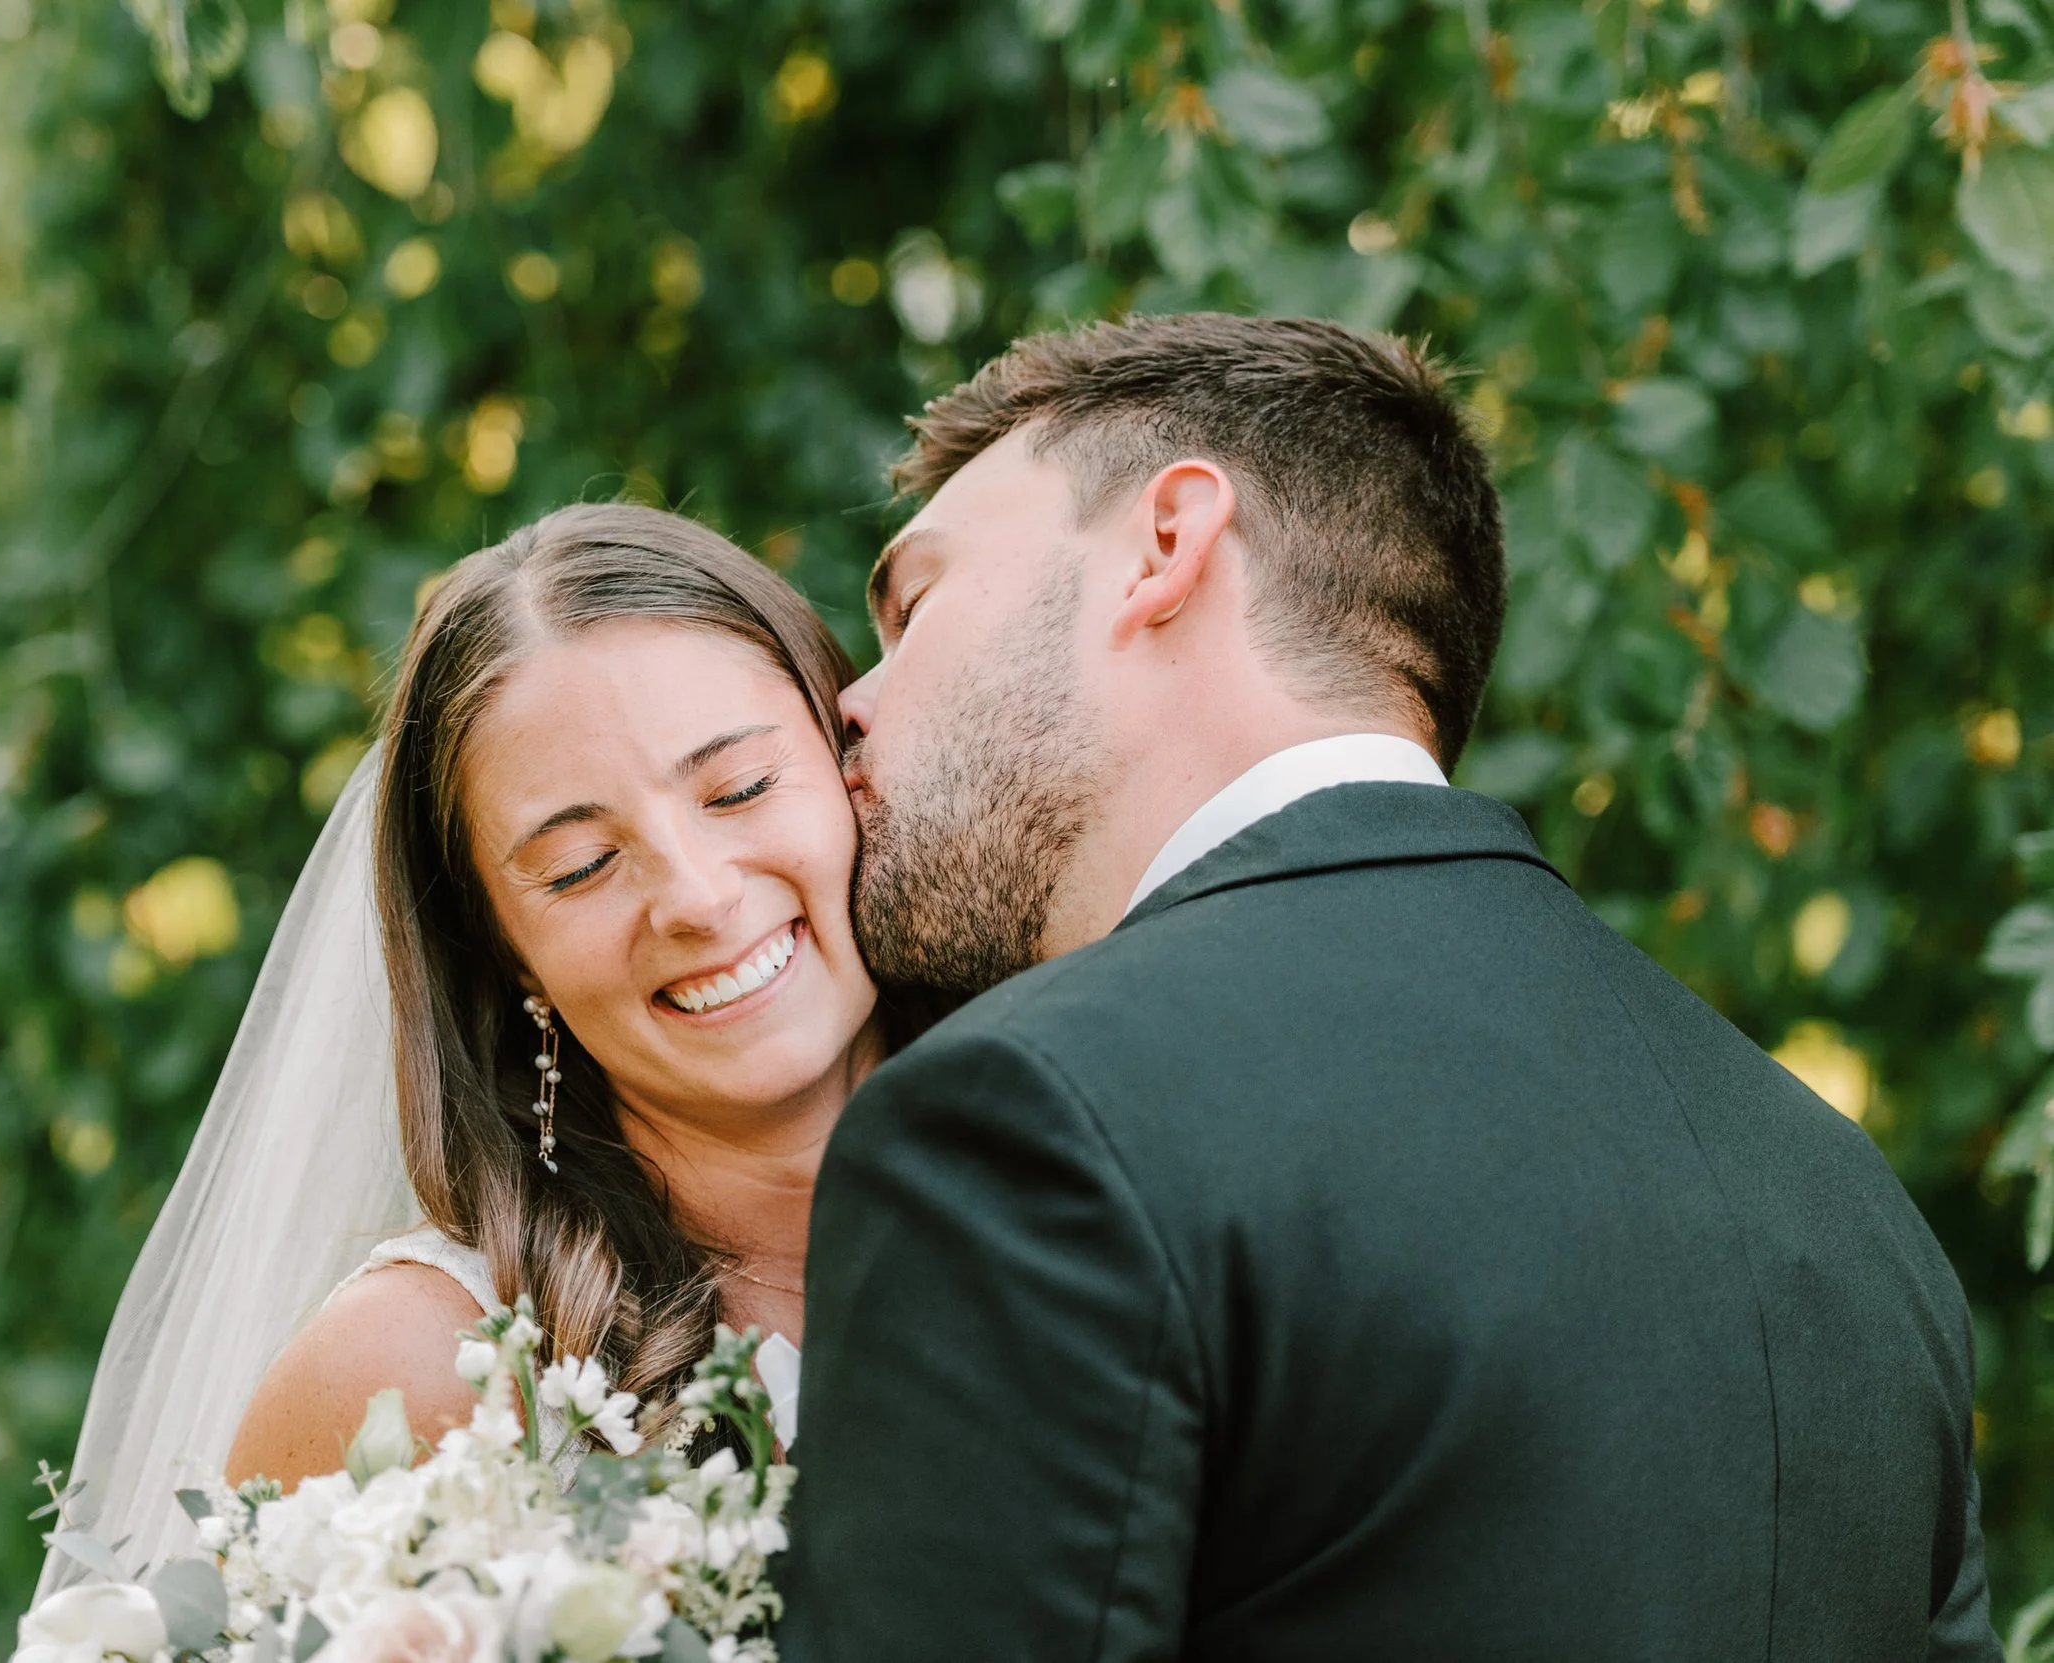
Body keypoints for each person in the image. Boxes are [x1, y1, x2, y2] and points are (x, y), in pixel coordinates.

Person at [776, 312, 1995, 1660]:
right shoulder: (1844, 1199)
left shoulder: (1030, 1121)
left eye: (915, 602)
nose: (855, 698)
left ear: (1167, 545)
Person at [37, 505, 887, 1592]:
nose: (698, 897)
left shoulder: (1098, 1173)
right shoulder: (419, 1380)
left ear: (852, 758)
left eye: (740, 790)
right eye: (581, 866)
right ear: (506, 956)